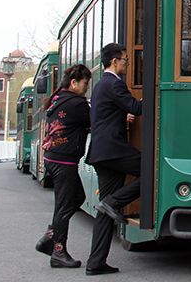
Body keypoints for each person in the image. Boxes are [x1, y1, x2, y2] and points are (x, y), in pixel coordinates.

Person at [84, 43, 143, 276]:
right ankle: (114, 202)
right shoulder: (114, 83)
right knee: (152, 172)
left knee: (103, 210)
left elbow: (112, 111)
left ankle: (95, 262)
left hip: (101, 152)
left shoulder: (102, 85)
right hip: (113, 150)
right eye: (125, 59)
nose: (127, 63)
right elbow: (136, 107)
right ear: (114, 61)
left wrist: (122, 116)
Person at [34, 64, 92, 269]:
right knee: (65, 206)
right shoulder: (77, 104)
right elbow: (96, 121)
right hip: (63, 160)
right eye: (85, 84)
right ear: (74, 83)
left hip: (54, 158)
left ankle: (49, 238)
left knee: (76, 199)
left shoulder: (58, 99)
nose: (86, 87)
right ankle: (58, 252)